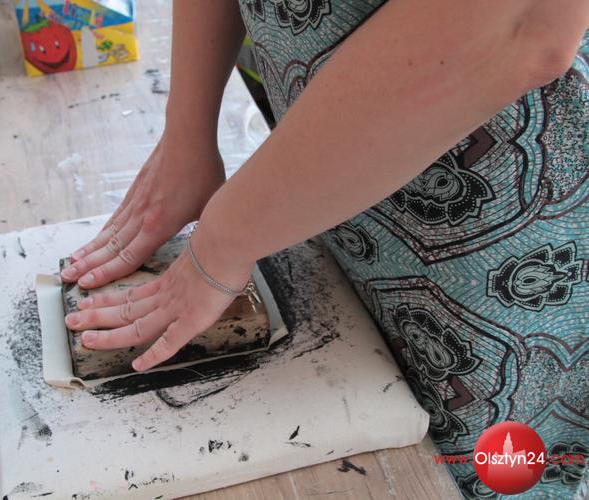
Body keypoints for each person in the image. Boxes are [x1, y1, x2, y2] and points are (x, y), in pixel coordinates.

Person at [60, 1, 589, 497]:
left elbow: (517, 27)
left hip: (494, 235)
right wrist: (187, 134)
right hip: (322, 188)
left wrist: (225, 238)